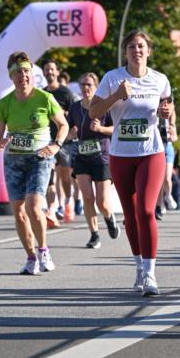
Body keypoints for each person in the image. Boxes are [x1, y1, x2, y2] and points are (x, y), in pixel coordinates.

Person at [90, 30, 172, 297]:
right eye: (132, 46)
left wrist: (168, 112)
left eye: (141, 46)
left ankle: (150, 273)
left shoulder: (160, 80)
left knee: (147, 210)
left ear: (149, 50)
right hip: (121, 154)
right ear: (125, 52)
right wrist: (116, 97)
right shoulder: (112, 78)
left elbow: (168, 109)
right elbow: (93, 112)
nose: (137, 50)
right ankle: (138, 266)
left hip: (151, 152)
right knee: (130, 216)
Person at [0, 52, 69, 274]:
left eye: (26, 71)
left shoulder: (45, 98)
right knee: (19, 212)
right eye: (18, 72)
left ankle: (43, 250)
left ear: (32, 74)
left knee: (34, 207)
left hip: (40, 157)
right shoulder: (4, 104)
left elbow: (63, 125)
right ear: (11, 76)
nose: (23, 76)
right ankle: (30, 257)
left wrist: (56, 145)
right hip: (14, 159)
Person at [66, 72, 120, 249]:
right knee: (87, 197)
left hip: (102, 157)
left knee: (102, 202)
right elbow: (66, 132)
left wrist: (101, 128)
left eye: (89, 84)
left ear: (96, 87)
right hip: (82, 157)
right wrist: (70, 134)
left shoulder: (104, 107)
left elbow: (115, 129)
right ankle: (94, 235)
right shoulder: (74, 108)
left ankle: (109, 218)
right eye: (82, 85)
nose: (85, 88)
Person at [42, 59, 76, 221]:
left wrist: (63, 115)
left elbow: (76, 116)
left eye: (52, 69)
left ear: (57, 72)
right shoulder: (42, 94)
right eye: (46, 69)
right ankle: (51, 209)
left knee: (64, 177)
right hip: (47, 141)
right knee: (49, 176)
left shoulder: (66, 93)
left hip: (64, 141)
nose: (49, 72)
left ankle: (67, 203)